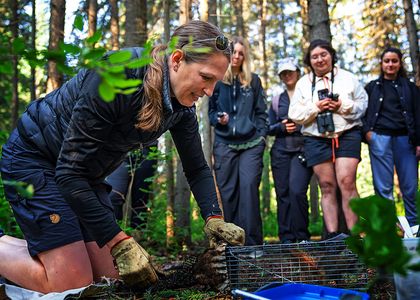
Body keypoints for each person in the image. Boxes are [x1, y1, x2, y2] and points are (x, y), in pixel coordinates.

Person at [0, 20, 245, 293]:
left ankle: (46, 253)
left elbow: (197, 169)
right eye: (206, 77)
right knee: (72, 284)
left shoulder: (181, 109)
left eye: (216, 82)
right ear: (177, 59)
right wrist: (119, 241)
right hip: (35, 159)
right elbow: (68, 172)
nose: (210, 91)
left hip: (83, 175)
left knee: (112, 280)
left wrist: (214, 218)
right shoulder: (116, 76)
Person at [288, 39, 368, 239]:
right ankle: (333, 238)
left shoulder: (348, 78)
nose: (320, 59)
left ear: (331, 55)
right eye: (314, 56)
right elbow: (294, 114)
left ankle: (355, 235)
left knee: (347, 181)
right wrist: (316, 107)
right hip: (316, 138)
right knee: (326, 185)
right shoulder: (303, 83)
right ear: (309, 61)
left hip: (347, 134)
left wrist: (341, 105)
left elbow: (363, 105)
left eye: (323, 54)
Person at [208, 36, 268, 246]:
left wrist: (261, 137)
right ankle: (233, 245)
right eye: (233, 52)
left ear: (245, 57)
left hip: (251, 144)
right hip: (224, 144)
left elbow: (262, 113)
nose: (237, 56)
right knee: (228, 194)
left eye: (241, 53)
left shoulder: (254, 81)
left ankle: (253, 244)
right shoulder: (216, 81)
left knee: (249, 190)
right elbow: (211, 114)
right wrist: (218, 118)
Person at [362, 47, 420, 226]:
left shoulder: (410, 87)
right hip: (380, 139)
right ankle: (389, 230)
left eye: (394, 61)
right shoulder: (372, 87)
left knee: (410, 187)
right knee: (383, 188)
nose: (390, 64)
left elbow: (418, 115)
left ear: (400, 63)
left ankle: (414, 228)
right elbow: (361, 113)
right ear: (381, 63)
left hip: (406, 140)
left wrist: (419, 142)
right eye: (387, 61)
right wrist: (367, 133)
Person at [268, 59, 313, 244]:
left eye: (290, 72)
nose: (287, 75)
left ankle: (302, 236)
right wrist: (281, 127)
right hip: (280, 151)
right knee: (283, 194)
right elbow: (268, 127)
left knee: (297, 191)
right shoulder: (277, 99)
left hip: (302, 149)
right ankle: (286, 238)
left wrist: (300, 126)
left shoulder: (308, 94)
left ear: (298, 72)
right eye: (283, 73)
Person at [107, 144, 158, 231]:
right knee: (114, 195)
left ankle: (138, 236)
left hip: (147, 148)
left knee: (140, 200)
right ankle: (113, 236)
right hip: (120, 146)